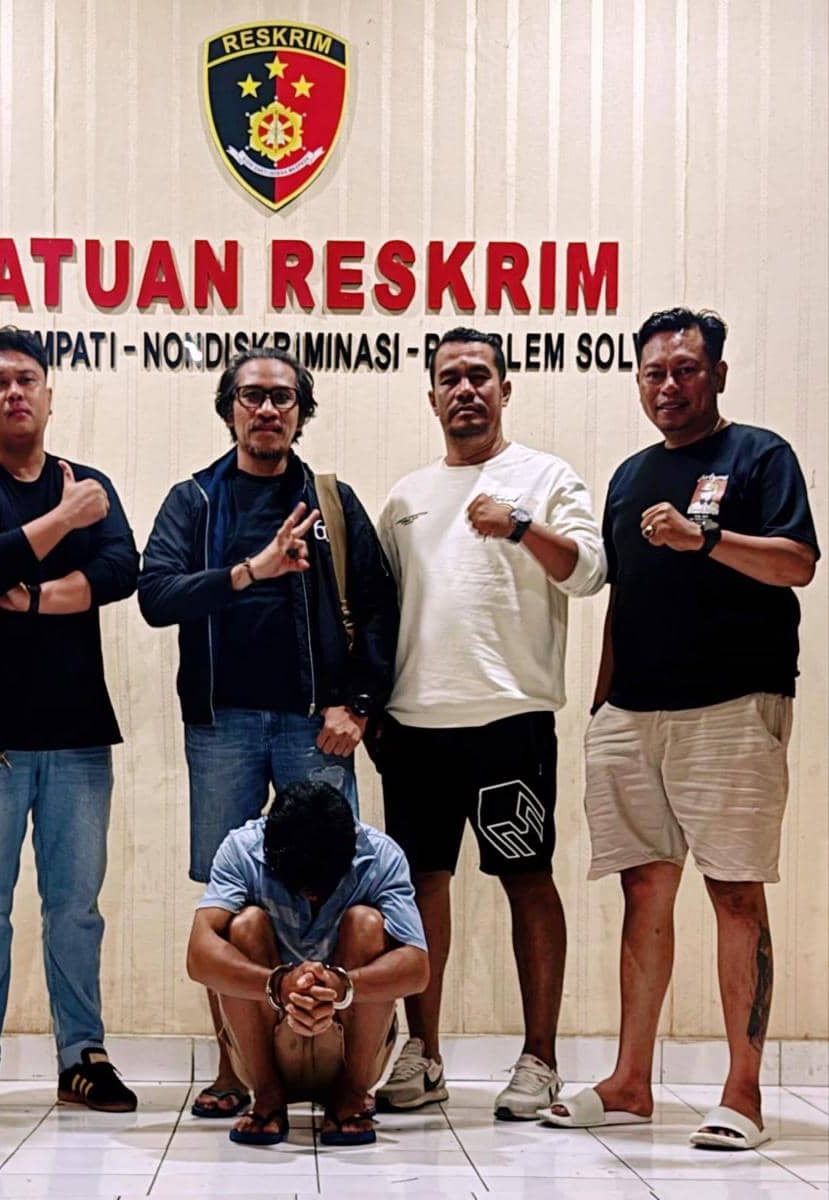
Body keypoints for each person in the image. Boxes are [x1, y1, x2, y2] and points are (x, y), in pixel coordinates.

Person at [540, 308, 818, 1149]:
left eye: (686, 369)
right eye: (654, 372)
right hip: (629, 717)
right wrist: (599, 707)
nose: (669, 385)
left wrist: (705, 539)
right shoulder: (629, 475)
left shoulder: (759, 456)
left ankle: (742, 1092)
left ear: (717, 375)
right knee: (642, 892)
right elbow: (622, 596)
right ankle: (630, 1083)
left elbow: (796, 563)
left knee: (733, 893)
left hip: (731, 710)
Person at [139, 346, 398, 1120]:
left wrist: (357, 704)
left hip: (314, 726)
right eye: (251, 396)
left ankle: (342, 1070)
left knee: (335, 888)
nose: (266, 409)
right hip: (221, 724)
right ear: (229, 409)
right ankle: (236, 1070)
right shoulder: (195, 499)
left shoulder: (331, 502)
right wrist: (250, 570)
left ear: (300, 412)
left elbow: (377, 608)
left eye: (282, 397)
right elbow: (156, 595)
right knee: (227, 905)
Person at [374, 327, 606, 1119]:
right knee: (418, 886)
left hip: (511, 719)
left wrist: (518, 525)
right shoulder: (406, 496)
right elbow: (381, 610)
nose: (465, 389)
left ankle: (539, 1059)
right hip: (414, 725)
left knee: (526, 878)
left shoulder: (545, 477)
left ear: (505, 389)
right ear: (431, 396)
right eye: (450, 378)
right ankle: (423, 1054)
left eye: (479, 375)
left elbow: (587, 573)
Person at [0, 325, 139, 1120]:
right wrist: (65, 519)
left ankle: (82, 1055)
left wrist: (37, 596)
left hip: (78, 736)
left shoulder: (91, 481)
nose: (13, 392)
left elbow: (120, 570)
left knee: (75, 908)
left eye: (26, 379)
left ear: (48, 395)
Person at [186, 779, 429, 1146]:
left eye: (322, 885)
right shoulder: (241, 849)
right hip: (265, 1045)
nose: (311, 896)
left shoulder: (381, 856)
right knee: (244, 925)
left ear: (352, 846)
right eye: (299, 885)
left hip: (349, 1045)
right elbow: (199, 956)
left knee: (366, 923)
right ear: (269, 848)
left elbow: (417, 968)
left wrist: (342, 986)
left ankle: (350, 1094)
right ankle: (267, 1095)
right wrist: (277, 985)